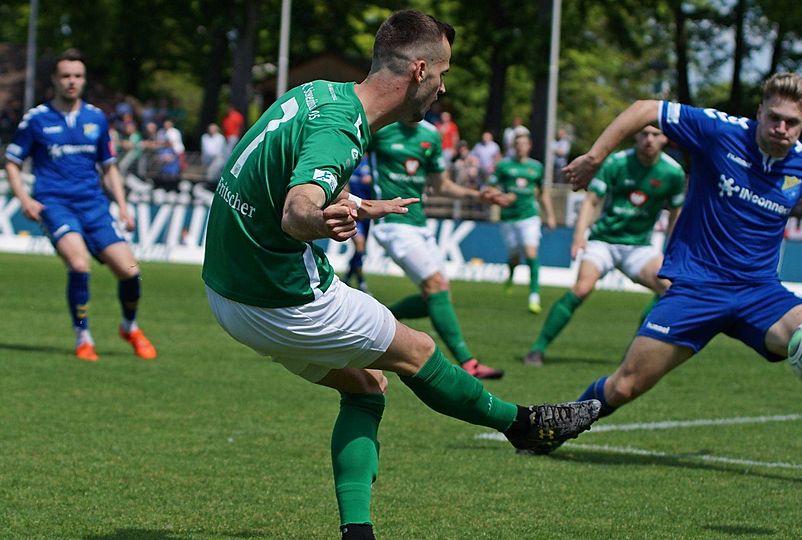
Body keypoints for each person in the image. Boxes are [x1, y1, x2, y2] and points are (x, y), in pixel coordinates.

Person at [199, 11, 599, 540]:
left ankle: (357, 532)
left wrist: (353, 202)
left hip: (225, 294)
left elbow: (286, 173)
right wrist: (320, 218)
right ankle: (525, 426)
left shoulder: (319, 94)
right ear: (419, 70)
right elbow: (296, 211)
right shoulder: (342, 130)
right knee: (419, 352)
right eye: (443, 73)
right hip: (281, 297)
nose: (443, 87)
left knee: (367, 386)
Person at [530, 72, 802, 458]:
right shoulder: (720, 131)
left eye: (791, 122)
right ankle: (554, 429)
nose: (781, 128)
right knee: (625, 385)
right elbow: (645, 109)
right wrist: (595, 156)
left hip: (760, 293)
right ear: (760, 112)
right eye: (774, 118)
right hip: (696, 287)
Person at [4, 49, 157, 362]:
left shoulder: (96, 118)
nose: (71, 81)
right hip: (55, 203)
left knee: (130, 271)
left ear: (84, 80)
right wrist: (25, 199)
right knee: (78, 264)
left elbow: (109, 167)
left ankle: (129, 326)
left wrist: (123, 206)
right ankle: (83, 336)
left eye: (77, 76)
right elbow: (12, 162)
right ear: (54, 79)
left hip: (94, 206)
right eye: (65, 76)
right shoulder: (37, 119)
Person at [523, 126, 685, 366]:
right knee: (582, 288)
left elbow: (676, 213)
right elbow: (591, 201)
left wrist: (674, 251)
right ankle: (537, 349)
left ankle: (632, 355)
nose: (649, 139)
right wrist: (579, 236)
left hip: (639, 246)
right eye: (644, 134)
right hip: (604, 241)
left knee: (671, 289)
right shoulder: (617, 163)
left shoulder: (673, 172)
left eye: (655, 134)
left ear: (664, 138)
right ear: (636, 135)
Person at [369, 118, 510, 379]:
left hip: (420, 225)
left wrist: (478, 195)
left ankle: (374, 318)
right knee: (436, 285)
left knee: (436, 297)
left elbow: (441, 185)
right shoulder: (380, 126)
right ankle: (469, 363)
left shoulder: (431, 135)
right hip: (392, 223)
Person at [489, 133, 557, 313]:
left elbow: (543, 193)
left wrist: (550, 215)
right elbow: (490, 188)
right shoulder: (503, 166)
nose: (521, 147)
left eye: (524, 144)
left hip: (529, 216)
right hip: (508, 217)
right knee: (514, 257)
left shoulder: (536, 167)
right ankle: (511, 275)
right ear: (514, 146)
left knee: (531, 252)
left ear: (529, 146)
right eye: (518, 144)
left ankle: (534, 296)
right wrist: (502, 197)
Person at [344, 153, 373, 292]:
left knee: (360, 249)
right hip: (353, 213)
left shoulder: (372, 163)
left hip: (367, 215)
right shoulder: (350, 162)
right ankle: (361, 282)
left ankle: (348, 277)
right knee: (360, 245)